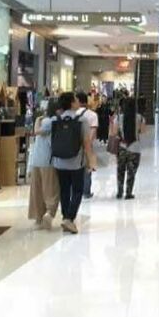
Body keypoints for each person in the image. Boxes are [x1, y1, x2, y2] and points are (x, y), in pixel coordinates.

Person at [51, 92, 96, 234]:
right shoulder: (82, 120)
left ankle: (66, 217)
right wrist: (91, 161)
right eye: (76, 100)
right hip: (76, 162)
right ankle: (69, 218)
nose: (78, 102)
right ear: (71, 103)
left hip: (59, 161)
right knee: (77, 190)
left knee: (64, 190)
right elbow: (86, 143)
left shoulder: (56, 119)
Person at [28, 101, 60, 230]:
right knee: (51, 189)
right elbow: (40, 133)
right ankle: (49, 213)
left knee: (37, 190)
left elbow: (36, 134)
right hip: (48, 160)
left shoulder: (43, 121)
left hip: (36, 160)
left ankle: (38, 217)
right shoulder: (53, 122)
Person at [110, 96, 145, 199]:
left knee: (120, 170)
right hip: (135, 147)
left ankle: (119, 192)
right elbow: (143, 131)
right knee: (132, 172)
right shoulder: (140, 118)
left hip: (122, 147)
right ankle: (128, 193)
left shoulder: (118, 118)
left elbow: (114, 133)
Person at [76, 91, 98, 199]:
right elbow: (93, 131)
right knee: (87, 168)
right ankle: (86, 192)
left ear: (78, 101)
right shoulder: (93, 115)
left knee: (74, 166)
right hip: (87, 144)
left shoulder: (73, 113)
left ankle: (75, 191)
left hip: (74, 144)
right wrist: (88, 144)